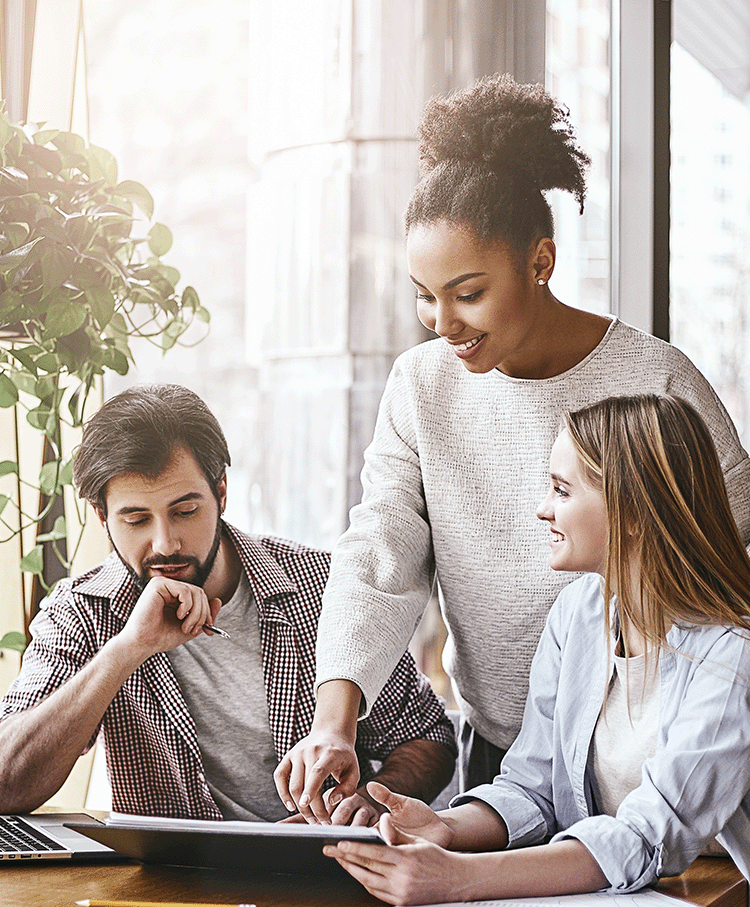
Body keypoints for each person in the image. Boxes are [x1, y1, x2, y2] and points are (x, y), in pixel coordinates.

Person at [274, 72, 750, 822]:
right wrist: (335, 720)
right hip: (509, 763)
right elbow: (379, 555)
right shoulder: (421, 386)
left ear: (541, 262)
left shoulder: (655, 377)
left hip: (657, 758)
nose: (442, 320)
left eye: (467, 292)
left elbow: (734, 553)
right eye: (423, 294)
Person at [324, 394, 750, 904]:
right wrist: (445, 827)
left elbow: (648, 837)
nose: (543, 509)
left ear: (634, 510)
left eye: (562, 490)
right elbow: (532, 788)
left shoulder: (732, 653)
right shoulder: (578, 616)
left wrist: (455, 879)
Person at [0, 384, 456, 824]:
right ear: (102, 516)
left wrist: (367, 803)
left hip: (319, 872)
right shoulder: (83, 610)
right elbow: (6, 783)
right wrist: (125, 651)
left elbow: (428, 736)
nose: (165, 542)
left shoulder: (323, 587)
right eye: (136, 519)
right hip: (173, 889)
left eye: (185, 511)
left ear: (220, 493)